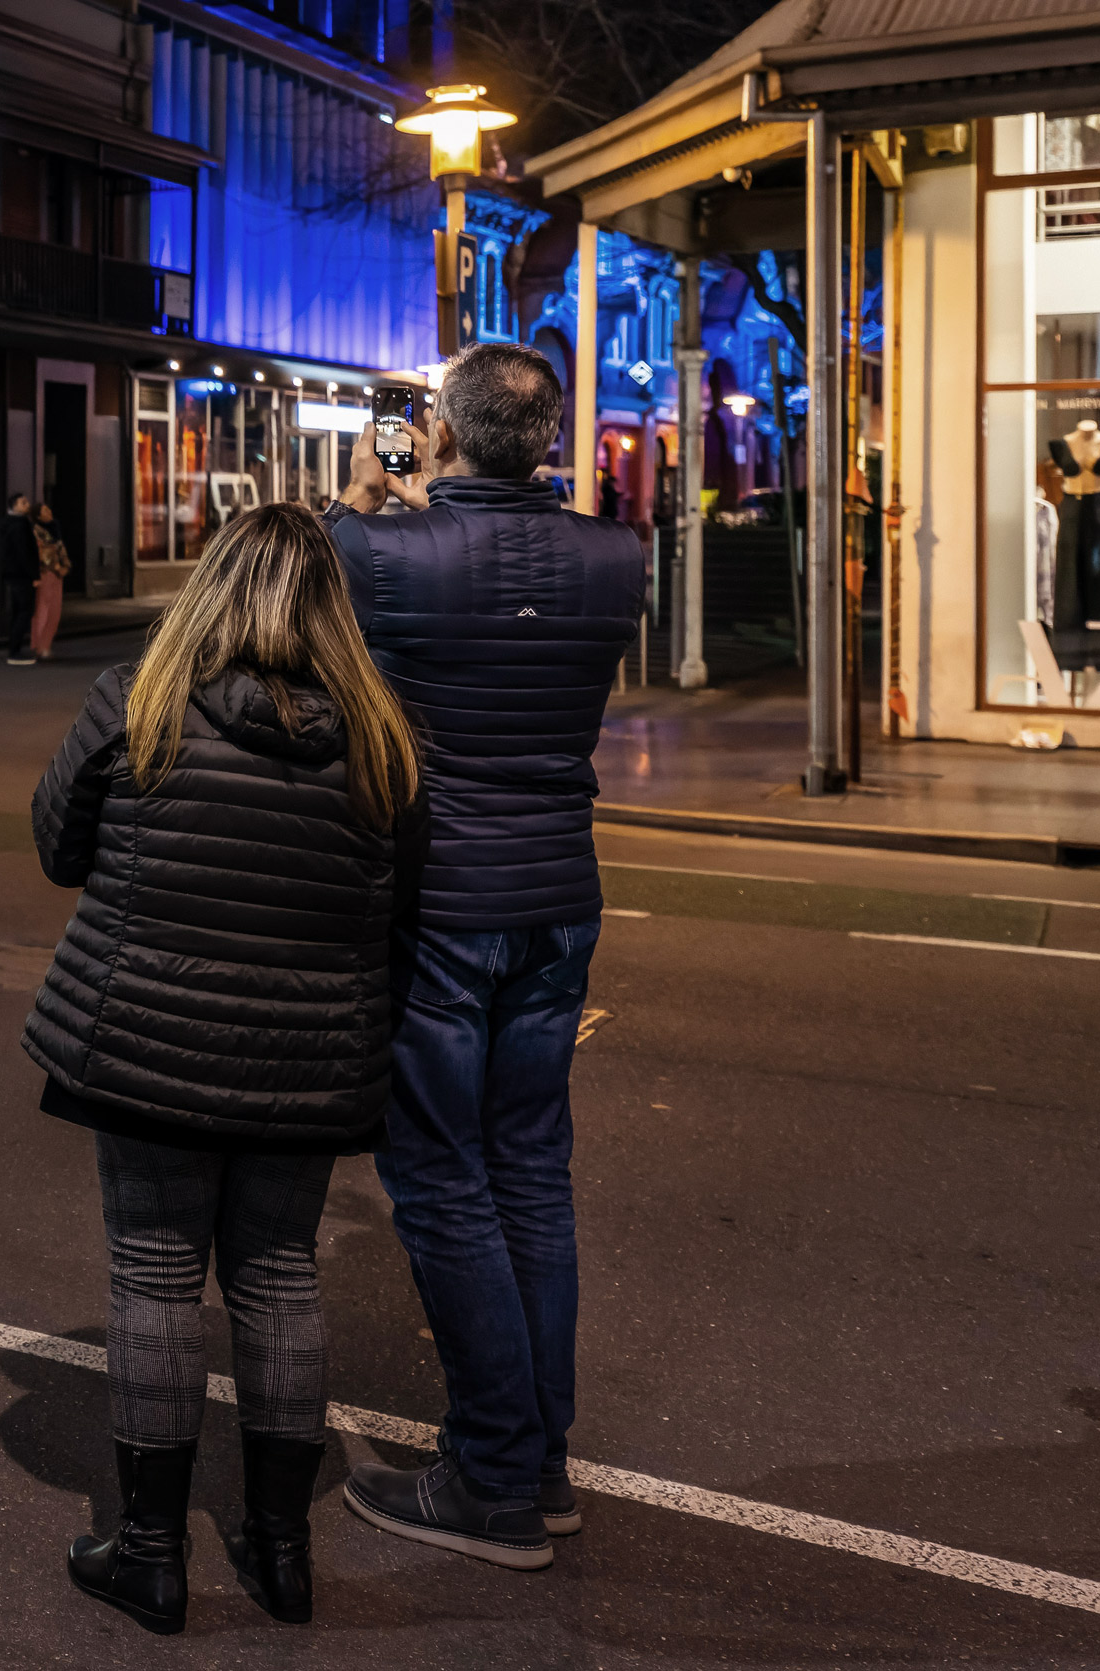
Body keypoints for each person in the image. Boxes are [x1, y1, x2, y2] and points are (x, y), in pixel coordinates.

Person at [23, 501, 422, 1634]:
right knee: (278, 1274)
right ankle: (281, 1551)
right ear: (330, 603)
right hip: (307, 1054)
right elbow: (402, 903)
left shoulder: (139, 698)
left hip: (144, 1038)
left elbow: (58, 846)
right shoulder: (382, 730)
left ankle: (149, 1553)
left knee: (152, 1275)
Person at [324, 341, 646, 1570]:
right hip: (562, 894)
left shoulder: (380, 549)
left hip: (439, 898)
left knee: (443, 1179)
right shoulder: (616, 555)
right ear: (550, 442)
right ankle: (540, 1461)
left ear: (440, 439)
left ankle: (494, 1479)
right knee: (530, 1173)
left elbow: (310, 572)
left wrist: (369, 486)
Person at [0, 493, 40, 664]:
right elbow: (25, 553)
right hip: (22, 576)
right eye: (23, 503)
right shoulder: (20, 526)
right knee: (25, 611)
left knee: (17, 612)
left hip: (12, 574)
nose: (27, 505)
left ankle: (13, 648)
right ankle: (14, 652)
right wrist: (34, 575)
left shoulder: (7, 523)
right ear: (14, 506)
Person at [29, 501, 72, 661]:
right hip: (45, 572)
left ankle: (46, 645)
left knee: (55, 609)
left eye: (48, 509)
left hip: (57, 572)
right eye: (45, 510)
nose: (49, 512)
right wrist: (54, 565)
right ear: (38, 515)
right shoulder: (36, 530)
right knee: (43, 609)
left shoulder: (55, 528)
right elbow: (40, 552)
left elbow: (60, 548)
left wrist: (64, 567)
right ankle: (39, 646)